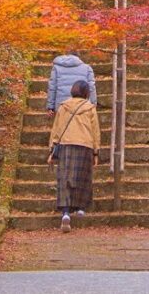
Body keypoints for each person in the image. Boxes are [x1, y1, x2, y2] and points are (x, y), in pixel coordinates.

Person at [47, 79, 99, 232]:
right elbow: (95, 131)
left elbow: (57, 128)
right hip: (85, 144)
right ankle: (81, 207)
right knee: (83, 176)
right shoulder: (90, 108)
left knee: (65, 177)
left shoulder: (63, 107)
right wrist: (96, 151)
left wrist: (52, 148)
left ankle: (65, 212)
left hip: (66, 144)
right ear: (86, 93)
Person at [46, 49, 97, 118]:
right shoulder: (87, 68)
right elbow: (91, 88)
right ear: (78, 57)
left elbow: (52, 88)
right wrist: (93, 105)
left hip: (62, 106)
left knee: (63, 127)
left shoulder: (56, 68)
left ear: (67, 55)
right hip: (82, 106)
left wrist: (50, 107)